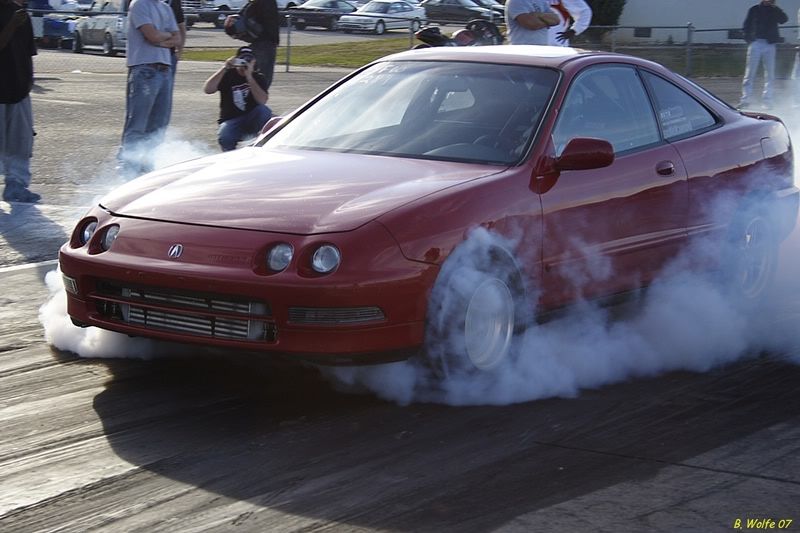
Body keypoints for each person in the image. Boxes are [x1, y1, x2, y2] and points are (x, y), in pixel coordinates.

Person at [117, 0, 180, 177]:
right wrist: (165, 37)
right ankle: (128, 170)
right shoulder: (139, 4)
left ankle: (147, 168)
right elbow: (151, 35)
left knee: (159, 126)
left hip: (164, 69)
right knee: (138, 124)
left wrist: (161, 40)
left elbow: (178, 38)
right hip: (144, 69)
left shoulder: (165, 7)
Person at [0, 0, 39, 203]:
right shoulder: (16, 18)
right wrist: (12, 25)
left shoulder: (20, 14)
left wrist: (28, 81)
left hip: (19, 90)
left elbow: (28, 52)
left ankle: (16, 186)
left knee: (20, 143)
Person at [203, 46, 272, 152]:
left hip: (251, 117)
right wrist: (224, 68)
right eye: (242, 59)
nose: (245, 63)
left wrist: (249, 76)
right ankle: (229, 154)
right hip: (231, 119)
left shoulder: (258, 77)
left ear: (253, 62)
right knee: (226, 136)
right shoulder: (227, 75)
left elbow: (262, 101)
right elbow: (208, 89)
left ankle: (256, 145)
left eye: (248, 60)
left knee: (264, 111)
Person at [740, 0, 788, 109]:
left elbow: (784, 20)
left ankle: (767, 100)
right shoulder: (754, 9)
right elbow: (746, 25)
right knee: (750, 72)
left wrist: (776, 8)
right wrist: (749, 39)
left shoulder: (774, 10)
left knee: (770, 73)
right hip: (756, 42)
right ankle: (746, 99)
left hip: (770, 44)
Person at [226, 0, 280, 91]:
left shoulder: (254, 4)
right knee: (263, 79)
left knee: (255, 74)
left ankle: (248, 95)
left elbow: (243, 14)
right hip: (265, 42)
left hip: (260, 42)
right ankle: (254, 99)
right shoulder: (264, 3)